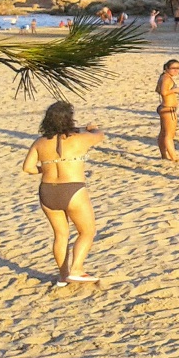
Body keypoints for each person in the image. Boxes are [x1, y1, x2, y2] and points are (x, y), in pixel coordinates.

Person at [21, 101, 105, 285]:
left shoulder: (40, 142)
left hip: (47, 191)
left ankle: (63, 275)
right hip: (72, 189)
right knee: (87, 231)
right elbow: (100, 136)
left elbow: (27, 168)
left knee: (60, 235)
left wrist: (45, 169)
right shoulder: (79, 139)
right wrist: (92, 128)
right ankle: (77, 269)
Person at [156, 59, 179, 161]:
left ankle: (164, 155)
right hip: (168, 109)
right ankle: (174, 158)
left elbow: (158, 90)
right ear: (167, 68)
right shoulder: (166, 79)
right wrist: (175, 90)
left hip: (164, 107)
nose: (176, 71)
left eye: (178, 68)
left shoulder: (163, 77)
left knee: (163, 133)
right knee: (169, 135)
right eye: (174, 68)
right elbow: (163, 92)